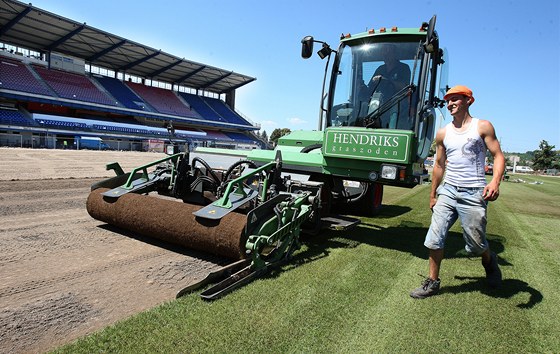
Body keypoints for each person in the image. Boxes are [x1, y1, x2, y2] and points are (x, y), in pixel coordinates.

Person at [410, 85, 506, 299]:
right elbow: (439, 165)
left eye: (455, 99)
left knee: (475, 245)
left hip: (473, 192)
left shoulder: (482, 127)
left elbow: (498, 155)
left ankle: (490, 261)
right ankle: (432, 282)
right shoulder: (443, 133)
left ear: (468, 101)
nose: (450, 104)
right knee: (435, 237)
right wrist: (433, 194)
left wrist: (495, 182)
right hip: (448, 191)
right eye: (448, 100)